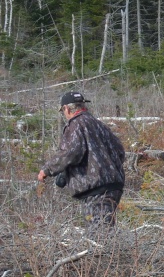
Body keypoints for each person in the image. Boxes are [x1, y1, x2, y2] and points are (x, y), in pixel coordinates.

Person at [37, 91, 126, 235]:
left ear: (66, 108)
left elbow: (70, 153)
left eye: (63, 111)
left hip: (96, 190)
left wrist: (46, 170)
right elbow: (120, 151)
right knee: (105, 230)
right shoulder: (99, 125)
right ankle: (115, 256)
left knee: (99, 235)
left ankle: (108, 257)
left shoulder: (76, 124)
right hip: (114, 186)